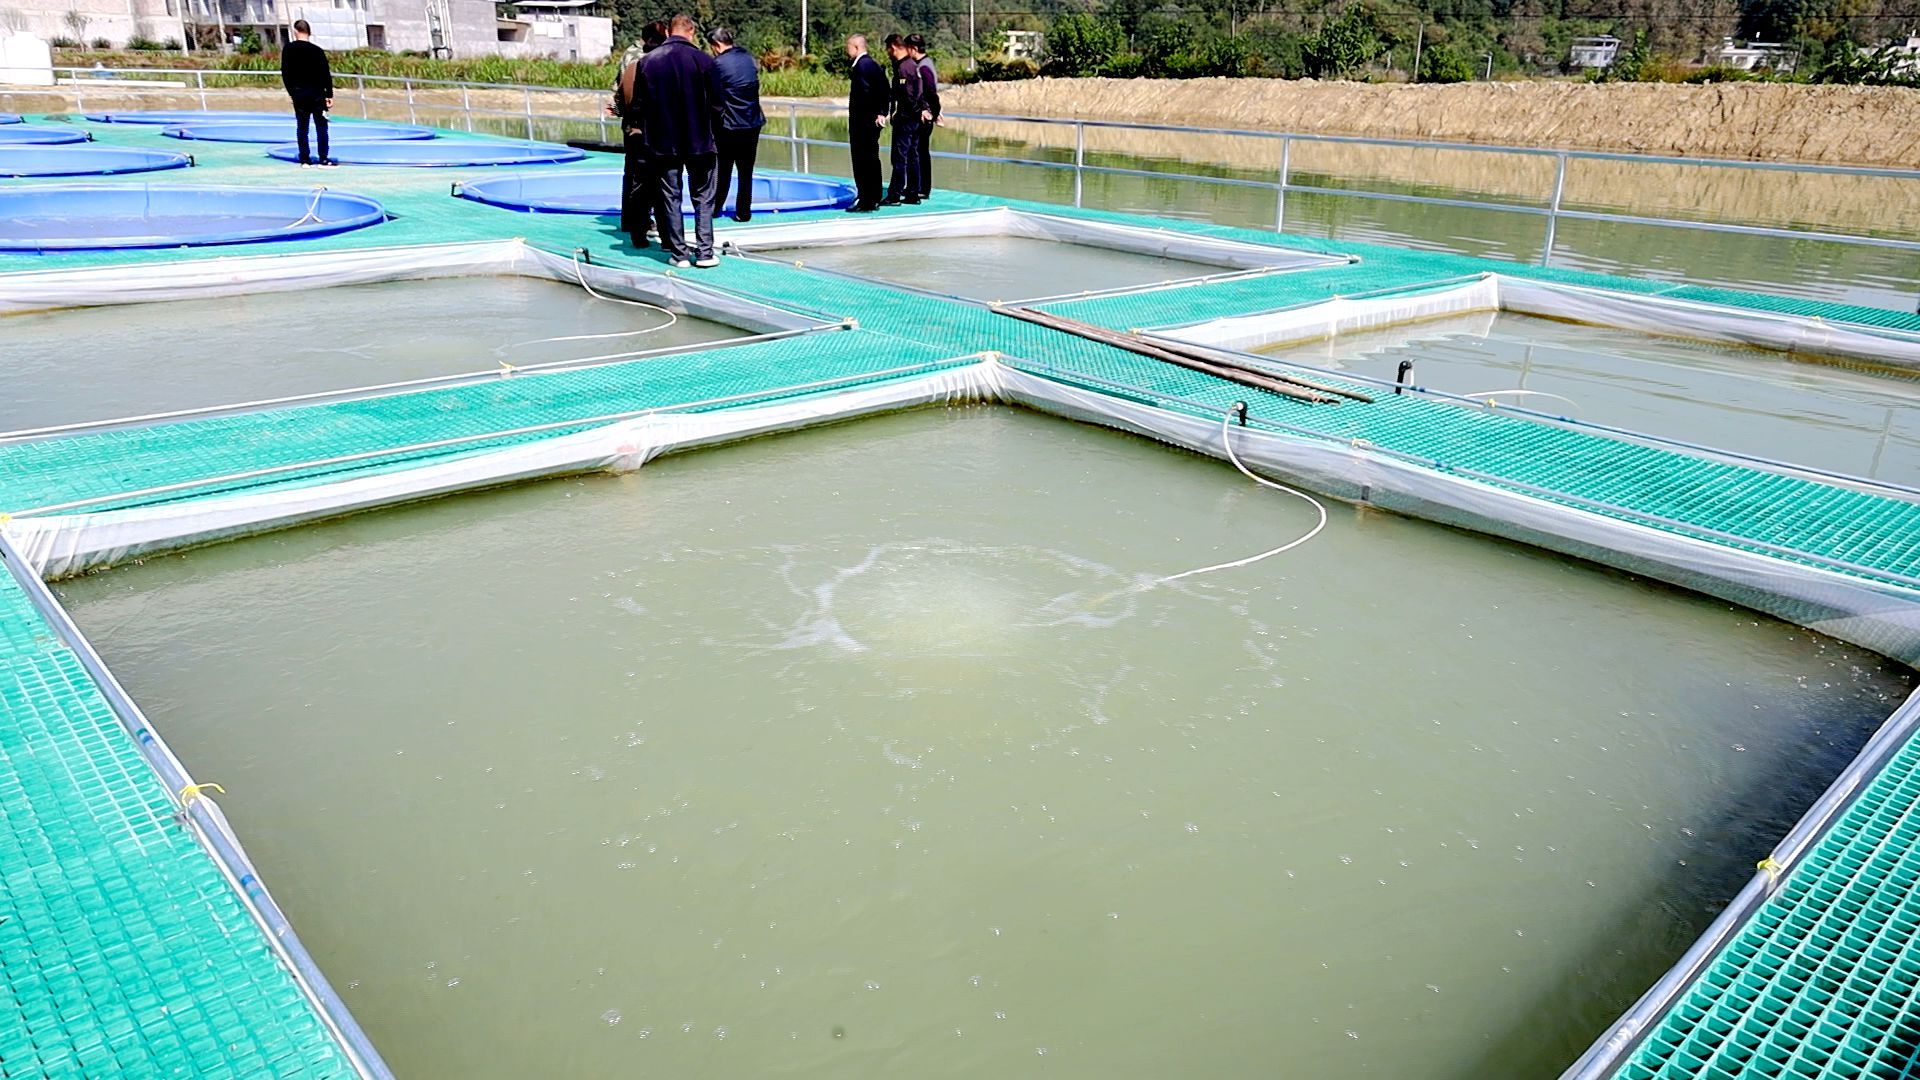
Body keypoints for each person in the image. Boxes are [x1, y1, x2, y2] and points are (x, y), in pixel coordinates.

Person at [638, 14, 719, 268]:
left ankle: (679, 254)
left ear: (668, 32)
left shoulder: (648, 62)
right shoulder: (704, 60)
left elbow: (640, 105)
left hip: (664, 142)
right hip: (699, 139)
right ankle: (705, 253)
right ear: (691, 31)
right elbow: (718, 103)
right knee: (703, 196)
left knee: (670, 197)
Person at [706, 27, 766, 222]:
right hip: (752, 122)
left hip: (730, 125)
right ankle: (743, 212)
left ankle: (715, 208)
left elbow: (711, 95)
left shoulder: (718, 64)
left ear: (716, 45)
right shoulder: (748, 58)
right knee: (746, 171)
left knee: (723, 169)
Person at [843, 34, 889, 213]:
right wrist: (882, 111)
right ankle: (874, 197)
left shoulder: (861, 66)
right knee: (872, 159)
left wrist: (871, 114)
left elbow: (865, 94)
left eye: (848, 47)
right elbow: (885, 88)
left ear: (855, 47)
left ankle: (866, 200)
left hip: (863, 122)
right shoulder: (873, 64)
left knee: (862, 160)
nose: (846, 50)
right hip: (871, 121)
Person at [280, 19, 333, 168]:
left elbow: (286, 73)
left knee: (302, 127)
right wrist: (329, 94)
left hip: (299, 94)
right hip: (317, 94)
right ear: (309, 32)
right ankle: (323, 158)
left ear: (295, 31)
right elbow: (325, 74)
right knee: (321, 127)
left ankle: (305, 159)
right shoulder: (317, 51)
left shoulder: (289, 49)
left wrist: (292, 92)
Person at [879, 33, 924, 206]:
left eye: (888, 49)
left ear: (893, 47)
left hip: (906, 119)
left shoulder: (904, 68)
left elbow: (908, 95)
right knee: (913, 156)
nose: (887, 53)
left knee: (899, 158)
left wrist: (899, 112)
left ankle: (895, 195)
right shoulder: (912, 65)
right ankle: (913, 193)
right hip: (914, 119)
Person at [908, 33, 938, 201]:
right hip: (922, 114)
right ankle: (916, 186)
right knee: (918, 151)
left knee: (920, 152)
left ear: (914, 49)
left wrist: (931, 112)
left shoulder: (923, 67)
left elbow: (930, 92)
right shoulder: (923, 64)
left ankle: (922, 188)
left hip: (924, 117)